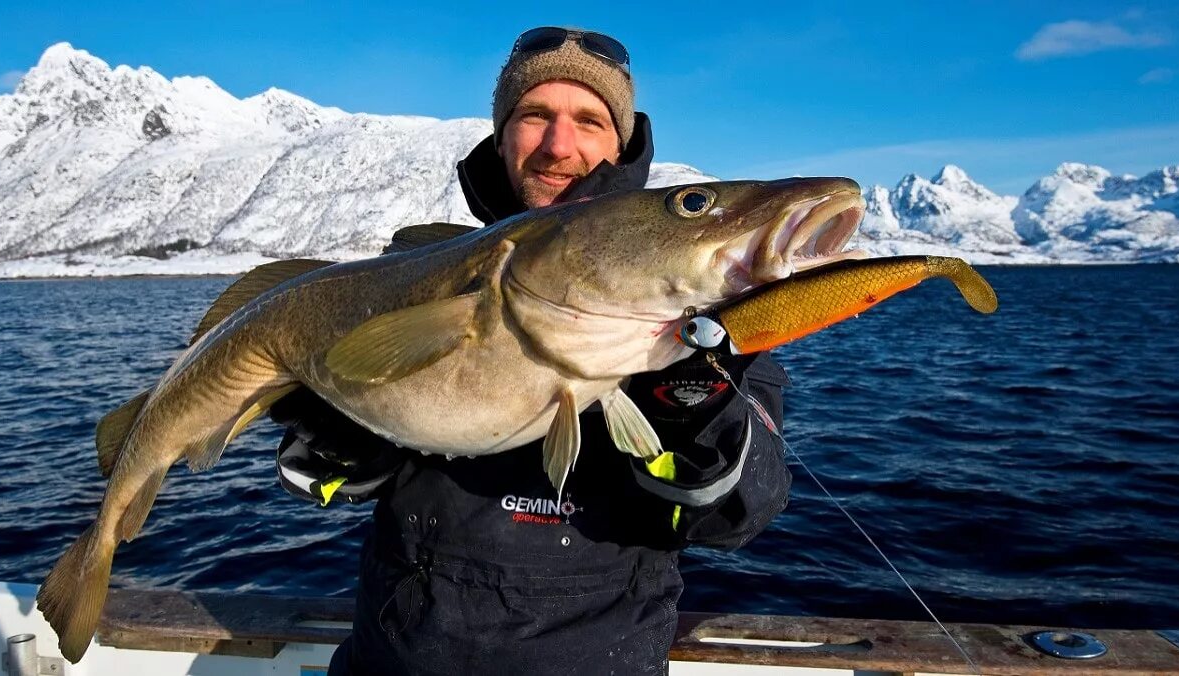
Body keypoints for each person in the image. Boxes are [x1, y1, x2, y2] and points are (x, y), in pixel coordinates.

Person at [269, 26, 793, 675]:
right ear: (501, 135)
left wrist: (695, 414)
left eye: (589, 120)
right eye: (534, 115)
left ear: (621, 145)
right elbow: (317, 482)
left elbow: (741, 512)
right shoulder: (421, 280)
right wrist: (339, 435)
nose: (558, 145)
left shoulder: (706, 313)